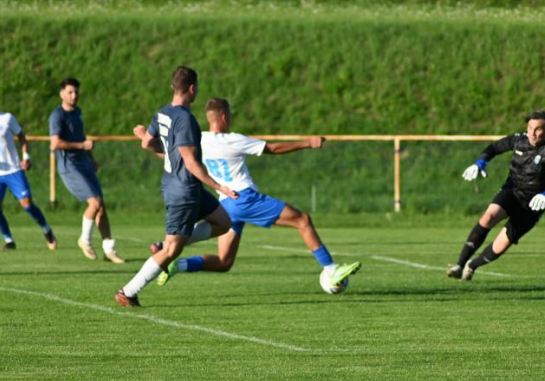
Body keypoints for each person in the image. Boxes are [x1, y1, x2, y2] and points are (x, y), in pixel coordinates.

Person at [160, 97, 361, 288]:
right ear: (224, 117)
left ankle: (177, 264)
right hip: (244, 199)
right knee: (302, 220)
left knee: (224, 262)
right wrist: (308, 143)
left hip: (225, 204)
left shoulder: (199, 139)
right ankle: (331, 268)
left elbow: (170, 154)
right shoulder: (232, 140)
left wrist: (145, 136)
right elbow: (272, 148)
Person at [115, 67, 238, 307]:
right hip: (184, 191)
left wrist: (145, 136)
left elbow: (147, 144)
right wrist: (219, 186)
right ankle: (128, 291)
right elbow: (191, 162)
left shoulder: (163, 113)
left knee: (223, 222)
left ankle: (169, 243)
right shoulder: (186, 119)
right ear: (192, 89)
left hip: (184, 187)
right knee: (171, 252)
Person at [446, 110, 545, 281]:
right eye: (530, 128)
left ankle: (471, 265)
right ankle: (459, 265)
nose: (532, 133)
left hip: (533, 204)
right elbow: (494, 147)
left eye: (538, 129)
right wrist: (481, 162)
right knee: (488, 217)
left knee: (501, 245)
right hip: (512, 191)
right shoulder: (519, 139)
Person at [0, 89, 57, 250]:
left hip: (14, 170)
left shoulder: (7, 118)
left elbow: (21, 136)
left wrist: (26, 157)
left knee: (27, 205)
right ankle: (9, 240)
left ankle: (46, 229)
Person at [49, 78, 124, 263]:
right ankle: (84, 239)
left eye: (76, 92)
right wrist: (82, 145)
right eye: (70, 92)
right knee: (95, 203)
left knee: (101, 207)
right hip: (69, 166)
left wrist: (91, 159)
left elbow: (82, 137)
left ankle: (109, 250)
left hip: (83, 163)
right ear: (61, 94)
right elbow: (55, 143)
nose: (74, 96)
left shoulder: (78, 112)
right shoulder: (57, 116)